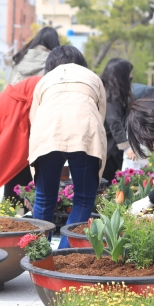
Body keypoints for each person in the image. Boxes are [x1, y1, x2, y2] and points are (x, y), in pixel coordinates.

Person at [29, 46, 107, 248]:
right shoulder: (92, 77)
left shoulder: (45, 80)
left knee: (44, 198)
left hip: (47, 133)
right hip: (85, 134)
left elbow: (33, 118)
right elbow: (101, 115)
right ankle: (65, 252)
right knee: (83, 199)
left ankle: (39, 255)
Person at [0, 75, 43, 203]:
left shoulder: (36, 81)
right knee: (17, 163)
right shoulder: (43, 82)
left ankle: (12, 207)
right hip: (12, 118)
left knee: (14, 165)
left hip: (5, 113)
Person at [100, 58, 134, 182]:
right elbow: (114, 122)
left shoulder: (104, 89)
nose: (131, 76)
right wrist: (126, 147)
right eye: (128, 73)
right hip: (106, 147)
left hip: (106, 146)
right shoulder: (111, 96)